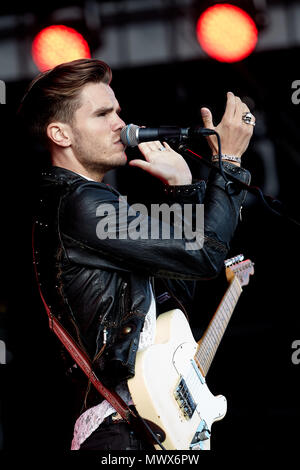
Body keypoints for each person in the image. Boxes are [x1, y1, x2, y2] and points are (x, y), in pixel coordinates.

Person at [18, 58, 253, 451]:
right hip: (115, 432)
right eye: (103, 113)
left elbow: (177, 300)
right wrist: (228, 163)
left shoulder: (94, 205)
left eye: (117, 111)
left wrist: (182, 187)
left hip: (141, 426)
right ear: (60, 133)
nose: (119, 123)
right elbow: (207, 256)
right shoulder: (80, 206)